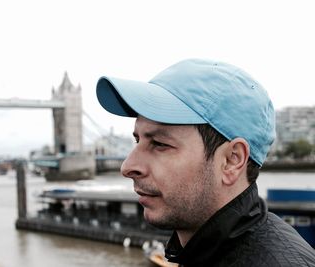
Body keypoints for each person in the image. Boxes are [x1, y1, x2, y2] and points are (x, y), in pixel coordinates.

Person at [96, 59, 315, 266]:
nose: (127, 166)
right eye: (137, 140)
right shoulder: (202, 251)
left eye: (160, 144)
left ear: (231, 160)